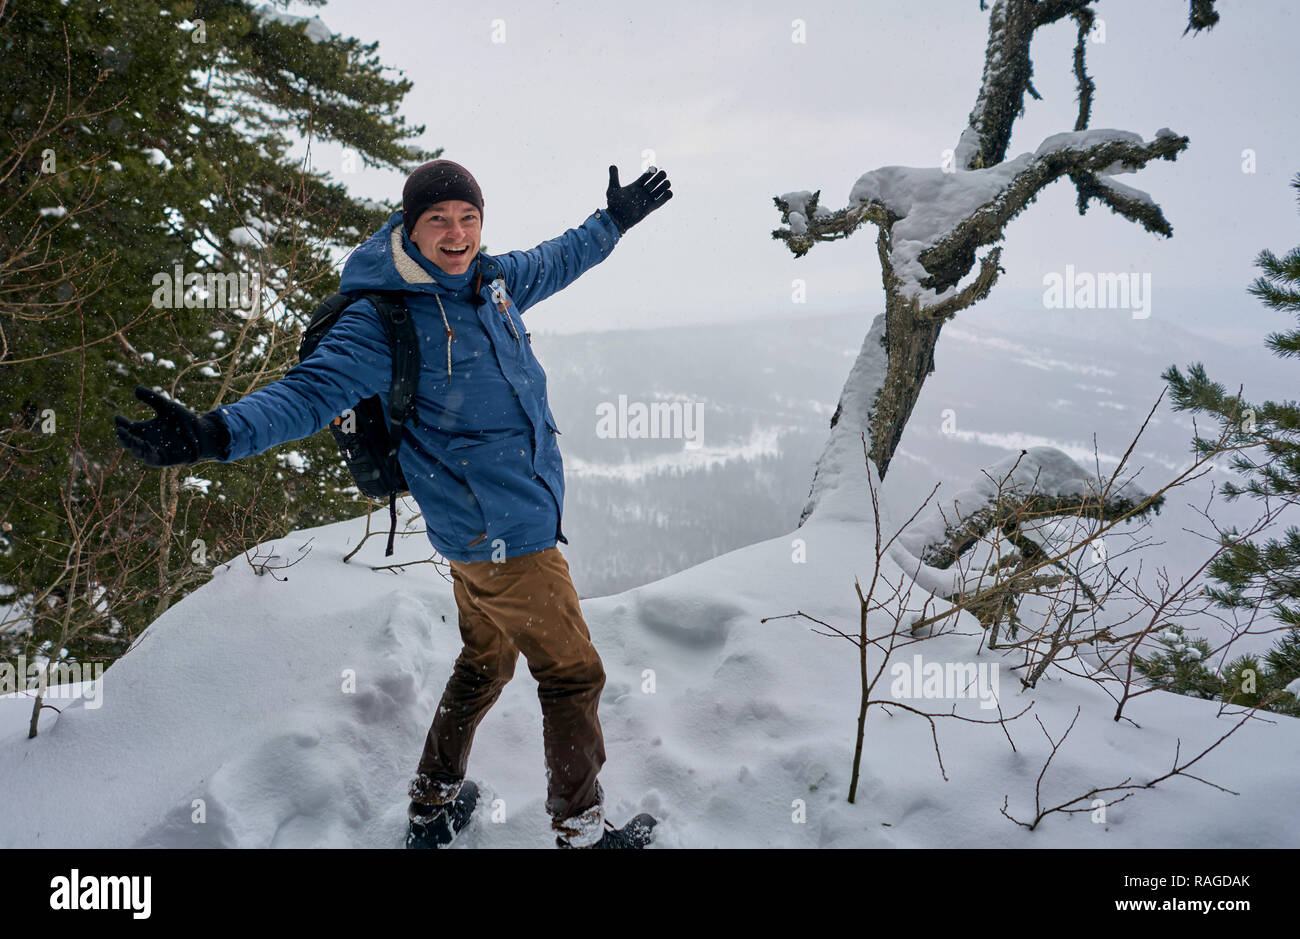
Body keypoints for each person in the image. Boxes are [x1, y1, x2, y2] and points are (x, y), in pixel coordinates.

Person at [114, 159, 673, 848]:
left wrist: (613, 220)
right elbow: (306, 394)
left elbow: (558, 258)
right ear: (409, 228)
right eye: (438, 219)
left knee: (484, 661)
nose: (456, 232)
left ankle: (430, 806)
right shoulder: (384, 320)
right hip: (508, 540)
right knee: (573, 672)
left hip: (480, 532)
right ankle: (582, 833)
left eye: (468, 218)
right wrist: (213, 433)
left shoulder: (490, 283)